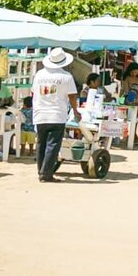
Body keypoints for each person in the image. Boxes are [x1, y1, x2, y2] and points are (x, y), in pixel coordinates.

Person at [30, 48, 80, 183]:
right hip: (57, 114)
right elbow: (72, 97)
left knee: (41, 143)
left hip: (40, 114)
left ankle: (41, 170)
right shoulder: (66, 77)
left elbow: (33, 93)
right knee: (52, 144)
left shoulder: (39, 75)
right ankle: (46, 174)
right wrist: (75, 111)